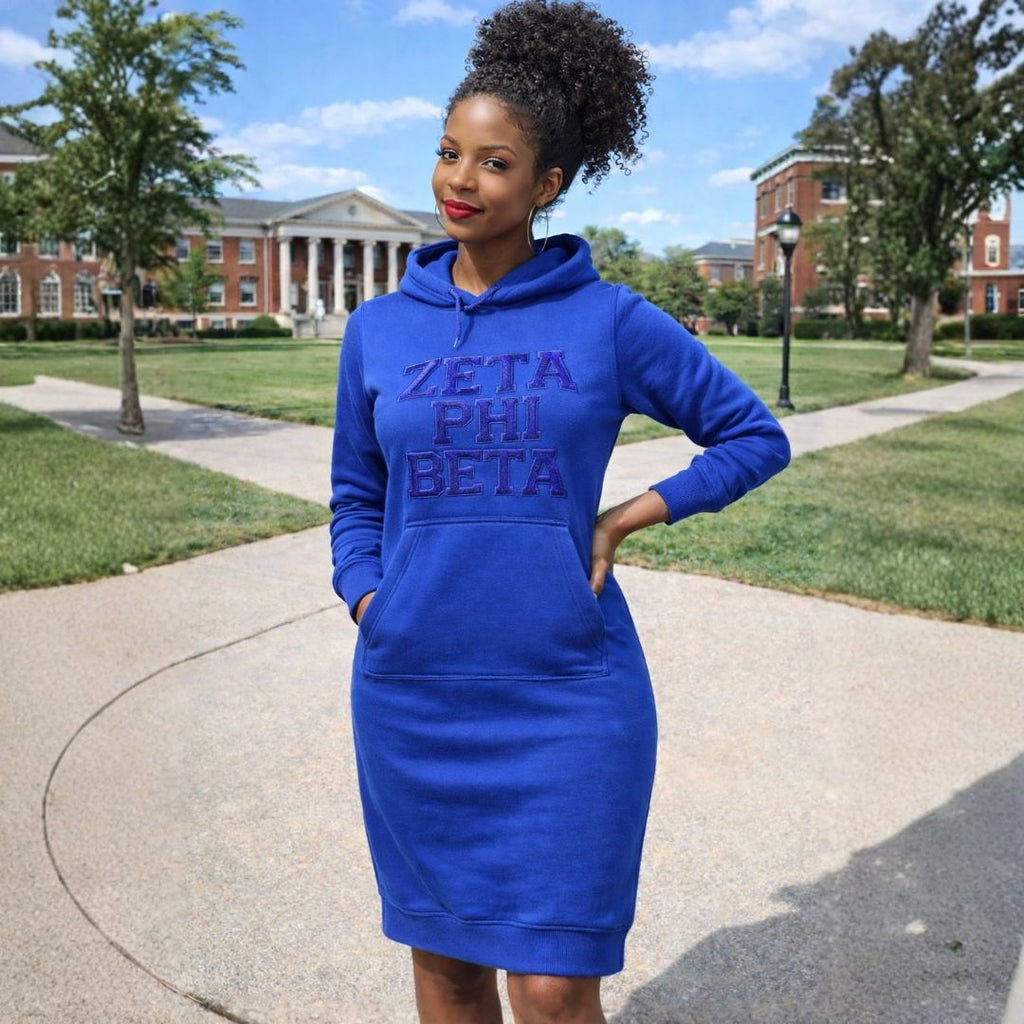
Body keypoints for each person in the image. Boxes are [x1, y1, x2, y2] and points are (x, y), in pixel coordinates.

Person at [327, 2, 791, 1021]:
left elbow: (753, 436)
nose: (459, 179)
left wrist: (622, 518)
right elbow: (355, 496)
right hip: (413, 694)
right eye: (448, 152)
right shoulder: (378, 330)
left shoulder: (608, 319)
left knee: (551, 986)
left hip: (569, 696)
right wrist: (369, 599)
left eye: (494, 163)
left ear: (546, 185)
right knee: (447, 968)